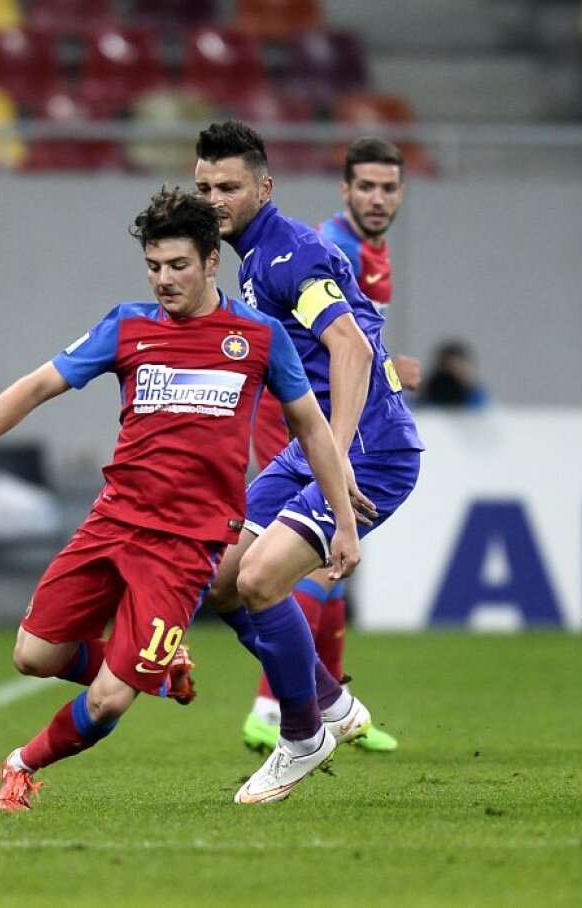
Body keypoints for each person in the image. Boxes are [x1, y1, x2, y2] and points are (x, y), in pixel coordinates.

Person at [0, 188, 361, 811]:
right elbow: (39, 385)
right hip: (112, 523)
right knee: (33, 655)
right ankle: (158, 666)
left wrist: (343, 521)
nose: (164, 280)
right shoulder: (127, 326)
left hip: (184, 549)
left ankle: (22, 765)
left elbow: (313, 429)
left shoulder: (258, 337)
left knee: (107, 700)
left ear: (212, 261)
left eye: (178, 265)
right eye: (154, 266)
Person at [193, 120, 424, 802]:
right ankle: (328, 700)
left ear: (263, 188)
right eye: (204, 187)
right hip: (313, 447)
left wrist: (339, 454)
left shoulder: (288, 253)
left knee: (262, 579)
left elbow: (350, 346)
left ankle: (300, 736)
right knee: (221, 579)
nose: (214, 201)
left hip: (370, 452)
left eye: (229, 187)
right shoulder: (252, 257)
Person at [241, 136, 410, 755]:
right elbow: (343, 346)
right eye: (366, 186)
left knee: (325, 569)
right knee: (293, 563)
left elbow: (353, 343)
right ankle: (273, 706)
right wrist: (333, 450)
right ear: (345, 191)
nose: (377, 198)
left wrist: (390, 369)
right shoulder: (327, 245)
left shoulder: (374, 253)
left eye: (388, 187)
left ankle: (332, 705)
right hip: (300, 423)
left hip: (336, 420)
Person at [416, 339, 490, 409]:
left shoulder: (476, 397)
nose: (449, 380)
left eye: (456, 371)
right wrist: (423, 394)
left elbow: (482, 411)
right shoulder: (427, 394)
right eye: (445, 371)